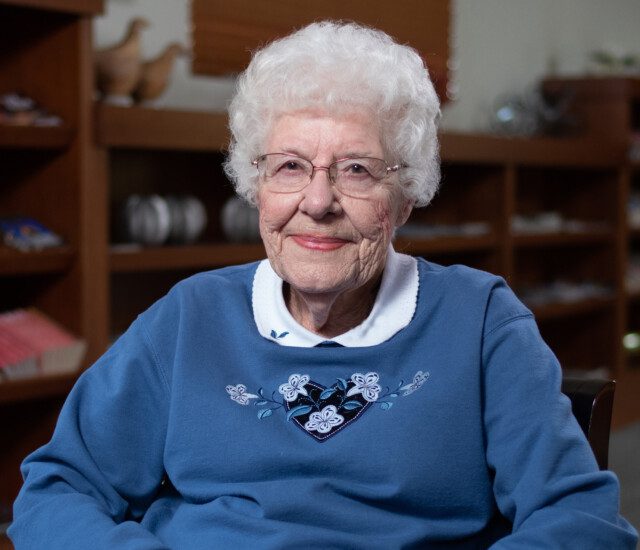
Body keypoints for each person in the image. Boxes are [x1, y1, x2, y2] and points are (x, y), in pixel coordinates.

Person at [9, 21, 638, 549]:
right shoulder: (189, 316)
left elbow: (578, 520)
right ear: (255, 185)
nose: (317, 202)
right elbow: (58, 488)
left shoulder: (479, 320)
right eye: (289, 166)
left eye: (356, 170)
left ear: (407, 192)